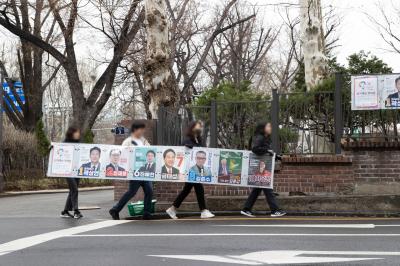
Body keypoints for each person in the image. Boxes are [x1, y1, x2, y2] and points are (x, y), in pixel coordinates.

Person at [166, 121, 215, 219]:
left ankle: (172, 209)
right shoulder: (188, 139)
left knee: (187, 190)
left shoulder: (198, 139)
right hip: (189, 169)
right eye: (198, 126)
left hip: (195, 169)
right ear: (192, 127)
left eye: (200, 127)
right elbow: (185, 146)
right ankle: (203, 210)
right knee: (198, 188)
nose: (200, 128)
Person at [109, 121, 154, 220]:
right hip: (134, 171)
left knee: (149, 191)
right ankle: (115, 209)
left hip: (145, 170)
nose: (142, 132)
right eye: (140, 129)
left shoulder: (144, 140)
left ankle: (146, 213)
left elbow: (150, 151)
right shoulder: (127, 141)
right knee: (131, 192)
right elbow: (123, 155)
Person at [240, 122, 286, 218]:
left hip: (263, 167)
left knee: (257, 189)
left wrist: (275, 156)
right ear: (263, 128)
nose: (270, 128)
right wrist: (267, 151)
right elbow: (255, 149)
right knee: (267, 188)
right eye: (268, 126)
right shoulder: (260, 137)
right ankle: (275, 210)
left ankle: (246, 209)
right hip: (260, 167)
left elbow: (266, 152)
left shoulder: (265, 138)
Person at [60, 126, 83, 219]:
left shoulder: (79, 143)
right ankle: (76, 211)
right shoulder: (65, 143)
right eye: (76, 132)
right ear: (72, 133)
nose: (78, 134)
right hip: (67, 170)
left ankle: (65, 211)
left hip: (77, 170)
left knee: (72, 190)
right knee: (74, 189)